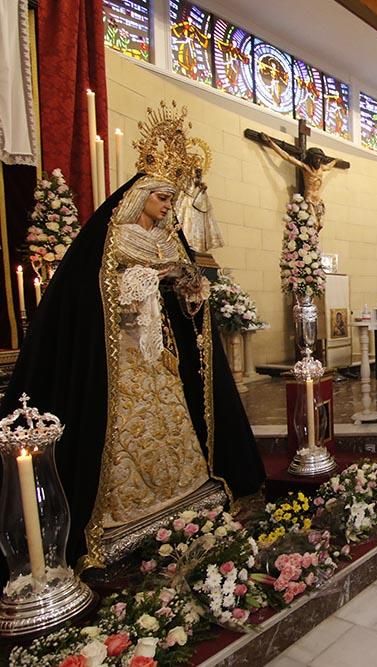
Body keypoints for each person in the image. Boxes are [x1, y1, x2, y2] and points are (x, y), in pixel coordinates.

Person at [0, 103, 265, 578]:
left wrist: (186, 283)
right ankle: (121, 512)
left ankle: (181, 493)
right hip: (122, 358)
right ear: (141, 194)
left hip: (161, 353)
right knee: (127, 430)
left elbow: (193, 302)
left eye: (170, 200)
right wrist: (143, 281)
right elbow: (94, 293)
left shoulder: (169, 239)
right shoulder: (112, 237)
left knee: (173, 423)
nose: (167, 207)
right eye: (162, 198)